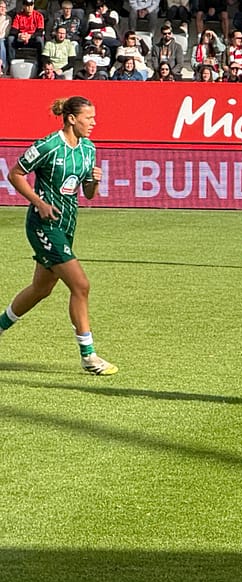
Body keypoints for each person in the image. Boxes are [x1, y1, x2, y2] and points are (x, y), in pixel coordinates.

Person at [1, 97, 117, 375]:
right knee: (81, 285)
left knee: (41, 288)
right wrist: (38, 202)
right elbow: (16, 174)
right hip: (43, 225)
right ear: (72, 119)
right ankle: (89, 356)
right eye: (89, 117)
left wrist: (94, 181)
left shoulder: (89, 148)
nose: (94, 122)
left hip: (67, 225)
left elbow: (87, 194)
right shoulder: (49, 145)